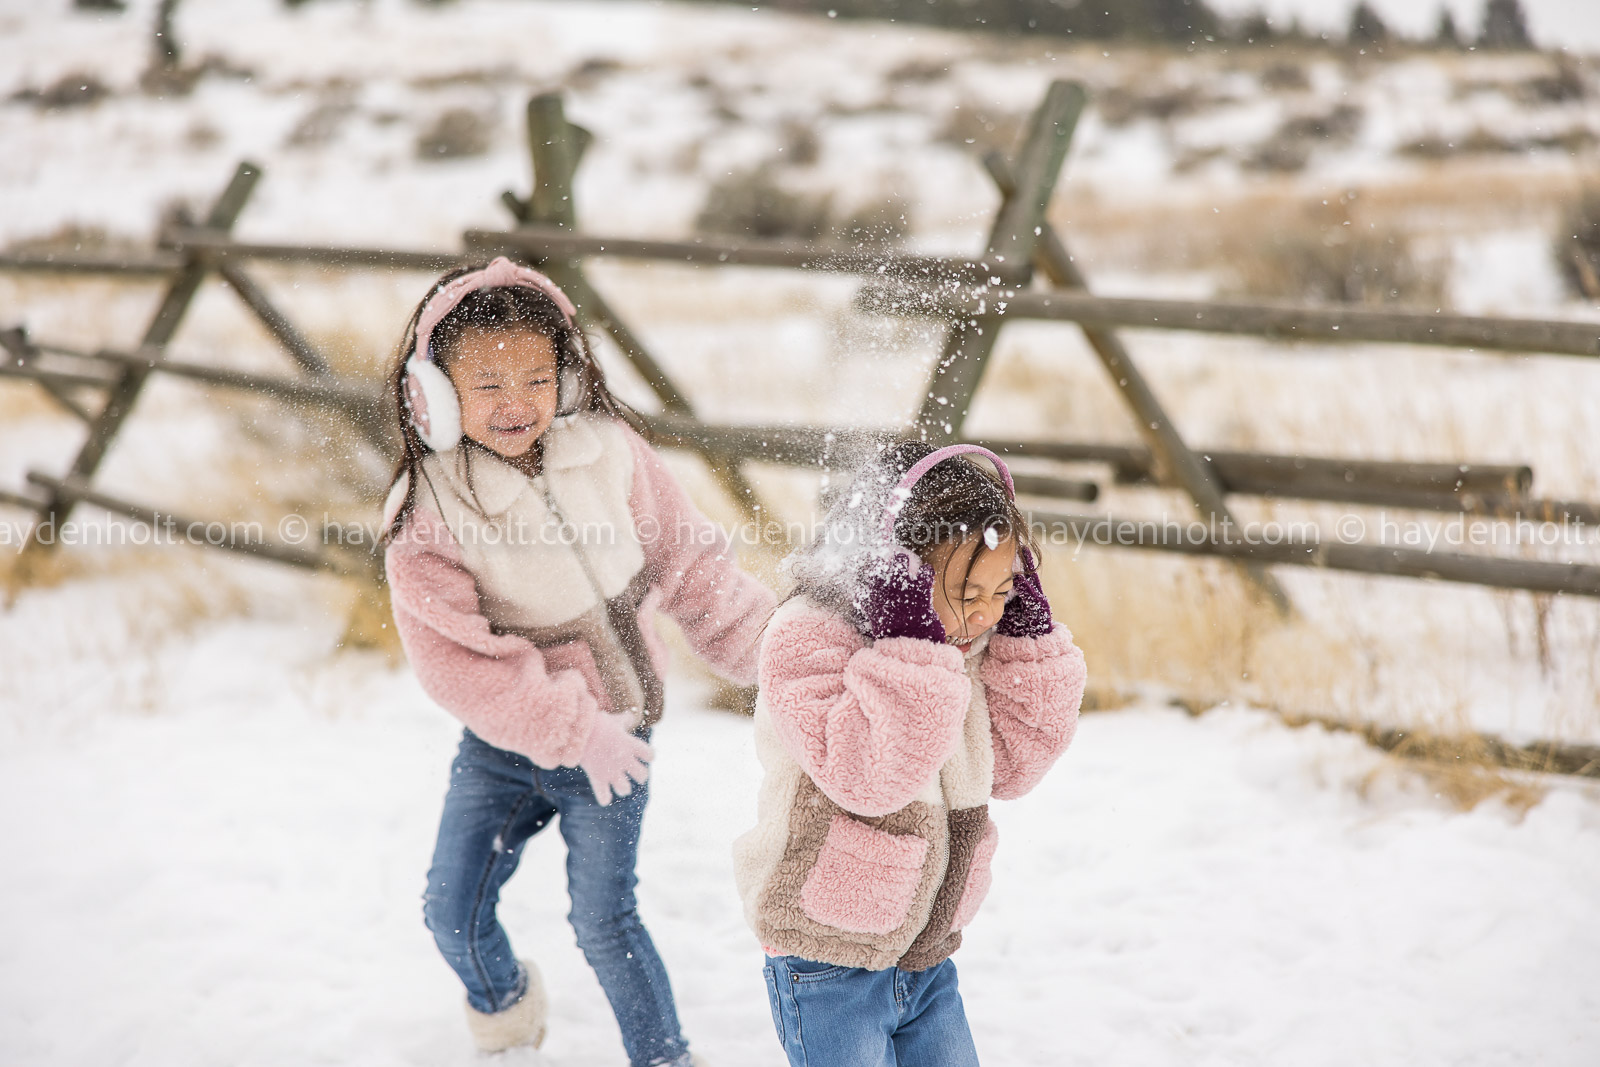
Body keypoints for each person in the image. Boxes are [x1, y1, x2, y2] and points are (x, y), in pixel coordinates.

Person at [382, 257, 775, 1064]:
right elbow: (459, 660)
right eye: (486, 384)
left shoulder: (610, 452)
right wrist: (567, 726)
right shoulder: (429, 509)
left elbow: (693, 564)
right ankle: (504, 1001)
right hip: (504, 746)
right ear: (439, 393)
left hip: (617, 741)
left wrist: (776, 658)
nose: (516, 402)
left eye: (535, 377)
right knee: (450, 909)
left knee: (604, 918)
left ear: (566, 377)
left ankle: (663, 1056)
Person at [734, 441, 1087, 1066]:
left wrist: (1028, 642)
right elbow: (870, 778)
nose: (986, 612)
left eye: (1003, 590)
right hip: (827, 960)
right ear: (896, 569)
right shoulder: (807, 638)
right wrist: (910, 645)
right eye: (966, 589)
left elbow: (1013, 765)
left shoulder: (963, 644)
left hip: (926, 958)